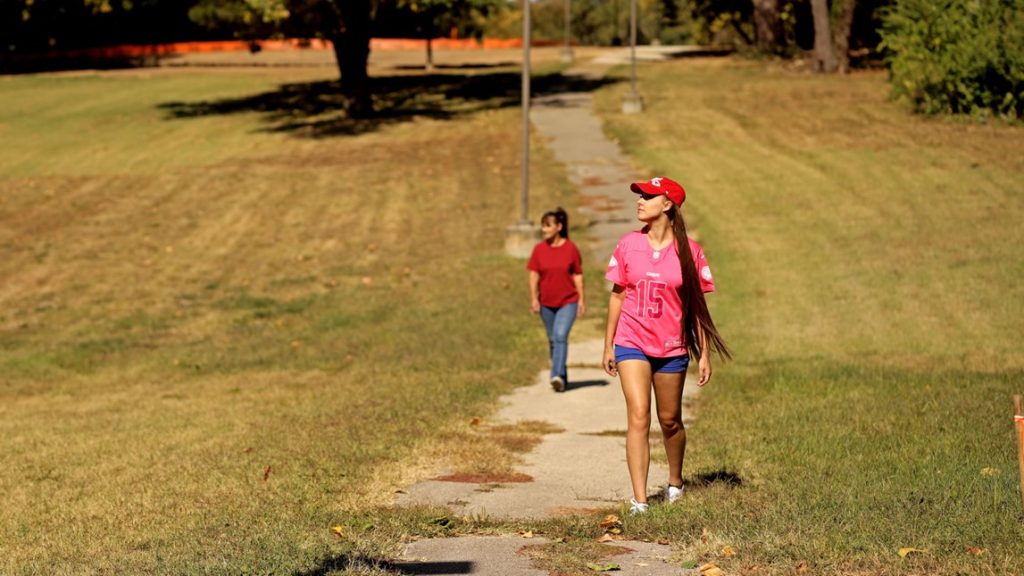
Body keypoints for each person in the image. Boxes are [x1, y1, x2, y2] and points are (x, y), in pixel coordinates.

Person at [602, 177, 731, 514]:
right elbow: (617, 296)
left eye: (648, 196)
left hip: (672, 347)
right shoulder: (629, 244)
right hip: (631, 341)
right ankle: (640, 500)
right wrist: (608, 344)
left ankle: (675, 482)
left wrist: (704, 352)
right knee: (639, 415)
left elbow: (698, 308)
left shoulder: (690, 251)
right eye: (640, 195)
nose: (640, 200)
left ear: (668, 204)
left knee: (670, 419)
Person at [528, 207, 585, 393]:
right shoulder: (539, 250)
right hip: (546, 303)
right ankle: (562, 379)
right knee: (553, 340)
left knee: (560, 337)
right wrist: (534, 299)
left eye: (547, 226)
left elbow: (577, 275)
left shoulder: (570, 248)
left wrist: (581, 299)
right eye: (543, 226)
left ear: (558, 227)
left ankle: (556, 375)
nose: (544, 230)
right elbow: (534, 275)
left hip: (568, 301)